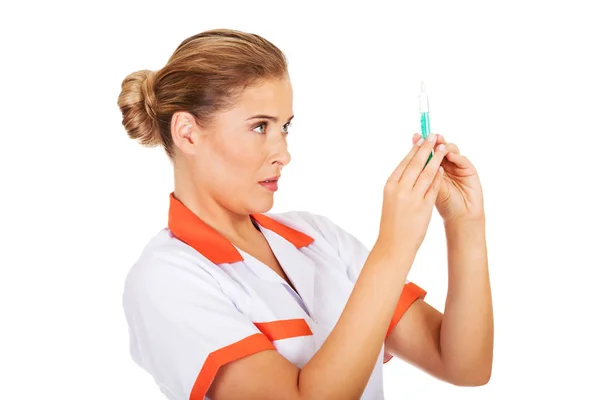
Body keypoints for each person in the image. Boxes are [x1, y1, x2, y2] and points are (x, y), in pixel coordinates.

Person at [117, 29, 493, 400]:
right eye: (259, 127)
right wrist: (394, 248)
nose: (283, 153)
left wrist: (464, 225)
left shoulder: (318, 238)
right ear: (187, 134)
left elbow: (463, 365)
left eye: (285, 128)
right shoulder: (165, 278)